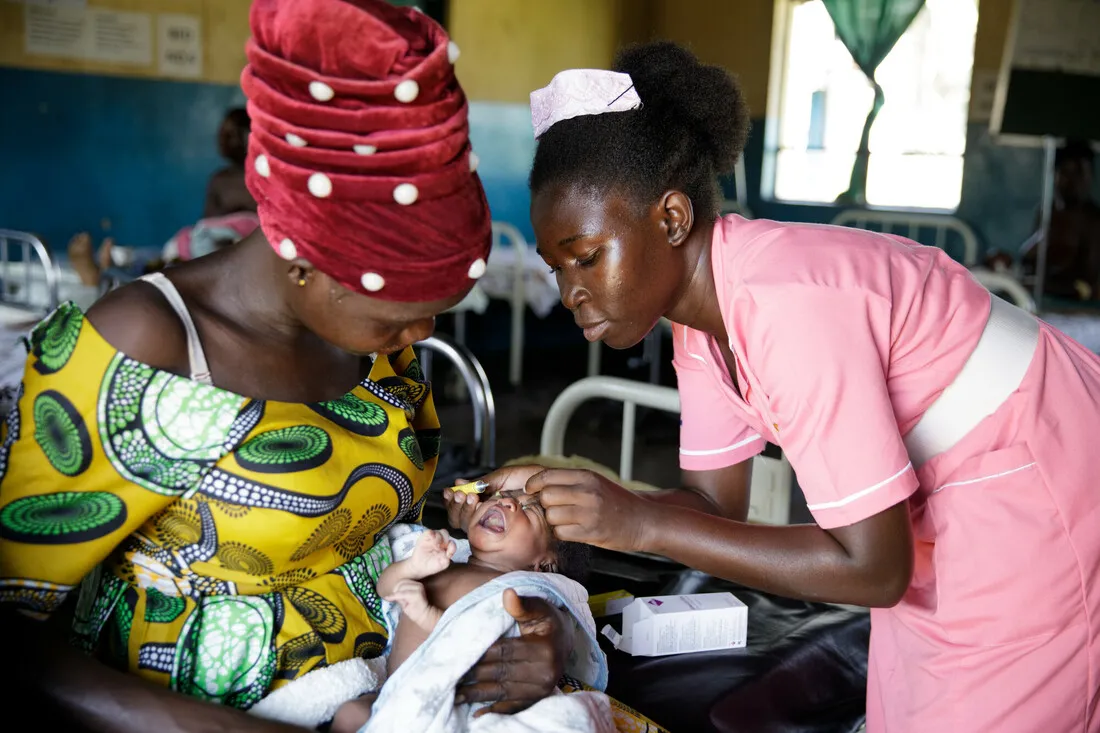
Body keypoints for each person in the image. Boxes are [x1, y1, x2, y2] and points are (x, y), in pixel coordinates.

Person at [445, 42, 1100, 732]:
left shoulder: (785, 301)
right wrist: (582, 498)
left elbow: (873, 568)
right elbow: (710, 505)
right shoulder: (701, 321)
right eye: (556, 268)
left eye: (586, 256)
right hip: (943, 508)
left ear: (670, 219)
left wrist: (639, 519)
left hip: (1039, 477)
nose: (572, 291)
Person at [0, 2, 569, 730]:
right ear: (303, 264)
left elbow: (379, 536)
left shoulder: (373, 343)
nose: (418, 333)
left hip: (390, 685)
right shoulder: (147, 345)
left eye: (436, 310)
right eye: (398, 311)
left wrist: (507, 623)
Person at [331, 492, 590, 733]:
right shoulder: (443, 563)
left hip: (451, 705)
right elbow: (386, 589)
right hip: (394, 692)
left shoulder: (512, 594)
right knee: (350, 714)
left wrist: (427, 615)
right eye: (503, 495)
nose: (506, 502)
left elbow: (478, 648)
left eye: (528, 509)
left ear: (543, 565)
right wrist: (411, 567)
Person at [1020, 139, 1100, 301]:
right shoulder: (1046, 212)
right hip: (1041, 300)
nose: (1075, 182)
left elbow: (1088, 286)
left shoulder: (1093, 220)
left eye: (1082, 174)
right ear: (1055, 174)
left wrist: (1038, 285)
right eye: (1068, 173)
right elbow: (1028, 260)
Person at [204, 107, 258, 218]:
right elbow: (208, 227)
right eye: (222, 135)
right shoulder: (219, 181)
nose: (223, 141)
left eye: (231, 135)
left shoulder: (268, 179)